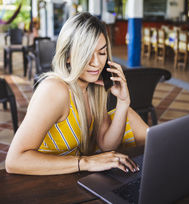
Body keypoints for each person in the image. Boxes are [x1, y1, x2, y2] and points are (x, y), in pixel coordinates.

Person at [6, 12, 148, 175]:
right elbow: (14, 161)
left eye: (101, 53)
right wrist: (86, 162)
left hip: (70, 176)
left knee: (129, 115)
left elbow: (107, 145)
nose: (96, 63)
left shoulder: (94, 87)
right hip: (42, 178)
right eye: (86, 53)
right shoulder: (54, 90)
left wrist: (123, 101)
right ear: (67, 56)